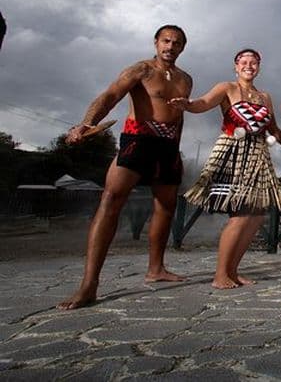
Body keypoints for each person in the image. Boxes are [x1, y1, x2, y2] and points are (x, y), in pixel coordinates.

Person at [57, 25, 191, 310]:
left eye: (177, 43)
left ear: (182, 48)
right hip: (138, 140)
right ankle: (89, 284)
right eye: (166, 40)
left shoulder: (186, 79)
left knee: (166, 207)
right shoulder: (141, 70)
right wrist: (87, 122)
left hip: (168, 146)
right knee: (111, 200)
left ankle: (156, 269)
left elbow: (179, 117)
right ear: (156, 42)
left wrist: (176, 149)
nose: (170, 46)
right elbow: (111, 95)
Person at [168, 48, 281, 289]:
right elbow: (204, 102)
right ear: (236, 66)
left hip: (258, 155)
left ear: (259, 67)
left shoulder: (265, 97)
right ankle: (220, 275)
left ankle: (233, 271)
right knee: (239, 215)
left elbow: (274, 130)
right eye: (244, 62)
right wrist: (188, 105)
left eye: (254, 62)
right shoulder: (226, 88)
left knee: (256, 217)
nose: (249, 65)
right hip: (232, 152)